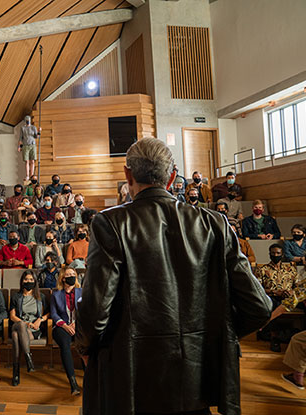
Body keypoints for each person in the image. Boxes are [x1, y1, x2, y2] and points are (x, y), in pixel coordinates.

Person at [75, 138, 271, 415]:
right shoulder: (215, 224)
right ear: (173, 176)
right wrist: (210, 337)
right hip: (197, 382)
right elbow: (260, 307)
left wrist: (83, 346)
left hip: (132, 381)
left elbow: (95, 312)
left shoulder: (111, 223)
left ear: (127, 174)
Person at [254, 244, 300, 352]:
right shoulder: (262, 269)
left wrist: (291, 292)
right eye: (273, 253)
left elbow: (298, 287)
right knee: (271, 306)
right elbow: (258, 289)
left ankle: (295, 335)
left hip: (289, 298)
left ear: (282, 254)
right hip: (271, 297)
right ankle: (274, 338)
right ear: (269, 254)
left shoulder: (291, 269)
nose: (275, 255)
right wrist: (275, 292)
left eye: (278, 253)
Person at [9, 270, 48, 386]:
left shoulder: (41, 297)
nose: (29, 282)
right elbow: (12, 316)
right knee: (20, 326)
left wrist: (39, 320)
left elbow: (47, 314)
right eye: (26, 279)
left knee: (15, 336)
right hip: (20, 324)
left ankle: (16, 372)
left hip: (33, 329)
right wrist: (25, 324)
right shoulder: (16, 296)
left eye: (31, 280)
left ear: (35, 281)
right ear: (22, 281)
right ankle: (28, 359)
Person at [51, 267, 83, 395]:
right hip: (61, 327)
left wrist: (75, 324)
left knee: (84, 344)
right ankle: (73, 382)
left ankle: (89, 377)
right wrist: (65, 325)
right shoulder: (56, 294)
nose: (71, 276)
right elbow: (54, 314)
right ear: (63, 278)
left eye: (73, 274)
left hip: (79, 326)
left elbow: (85, 310)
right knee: (65, 345)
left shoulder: (82, 292)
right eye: (68, 274)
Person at [19, 115, 39, 181]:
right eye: (26, 121)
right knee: (27, 161)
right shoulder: (22, 128)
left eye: (28, 120)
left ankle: (32, 175)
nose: (28, 122)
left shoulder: (33, 127)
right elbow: (20, 138)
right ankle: (27, 175)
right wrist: (19, 146)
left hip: (32, 145)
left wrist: (39, 131)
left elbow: (36, 136)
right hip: (25, 145)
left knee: (32, 161)